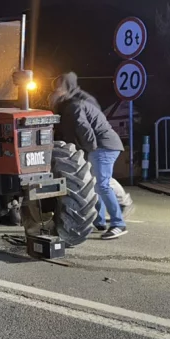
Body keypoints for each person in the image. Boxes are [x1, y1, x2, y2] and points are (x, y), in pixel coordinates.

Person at [49, 72, 130, 239]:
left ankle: (118, 224)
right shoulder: (72, 104)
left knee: (102, 185)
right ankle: (99, 221)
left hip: (103, 146)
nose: (50, 100)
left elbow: (83, 129)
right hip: (100, 145)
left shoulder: (74, 106)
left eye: (54, 96)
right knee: (92, 185)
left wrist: (89, 150)